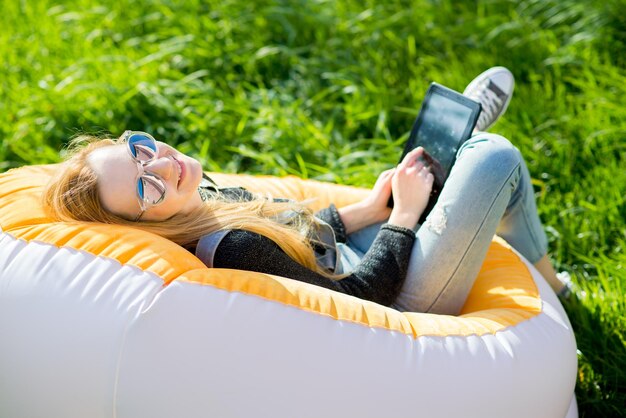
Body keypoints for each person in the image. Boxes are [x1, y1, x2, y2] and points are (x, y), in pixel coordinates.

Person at [43, 67, 570, 315]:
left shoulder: (201, 200)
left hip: (352, 256)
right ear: (146, 223)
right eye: (145, 187)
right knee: (496, 157)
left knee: (471, 167)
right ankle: (464, 147)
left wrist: (369, 208)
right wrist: (402, 219)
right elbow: (360, 303)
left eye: (140, 149)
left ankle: (559, 288)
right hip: (396, 300)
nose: (160, 163)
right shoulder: (232, 250)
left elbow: (299, 239)